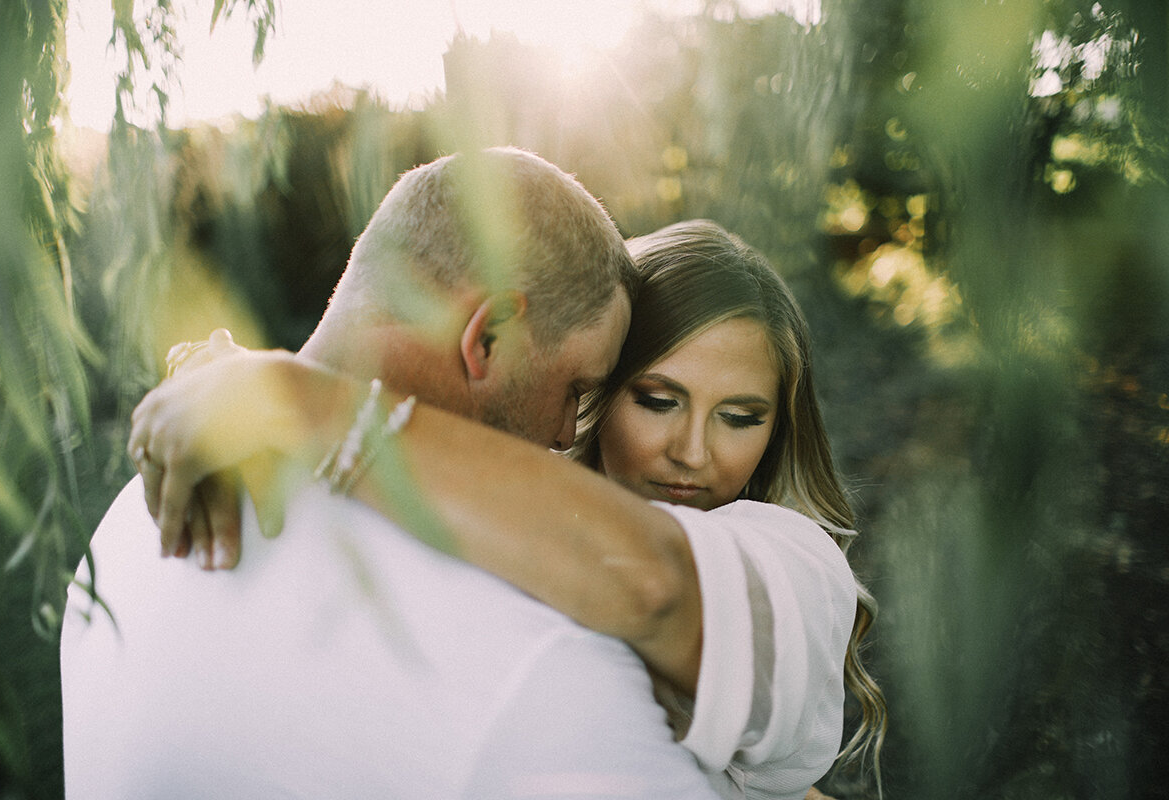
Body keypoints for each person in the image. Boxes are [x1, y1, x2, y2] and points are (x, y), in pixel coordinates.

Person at [129, 220, 887, 799]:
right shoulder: (495, 498)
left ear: (779, 428)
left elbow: (654, 583)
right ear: (591, 388)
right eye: (658, 400)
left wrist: (304, 401)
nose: (693, 451)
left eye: (740, 417)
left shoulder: (790, 562)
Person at [61, 147, 726, 799]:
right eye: (576, 387)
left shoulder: (127, 526)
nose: (562, 433)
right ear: (488, 335)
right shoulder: (529, 653)